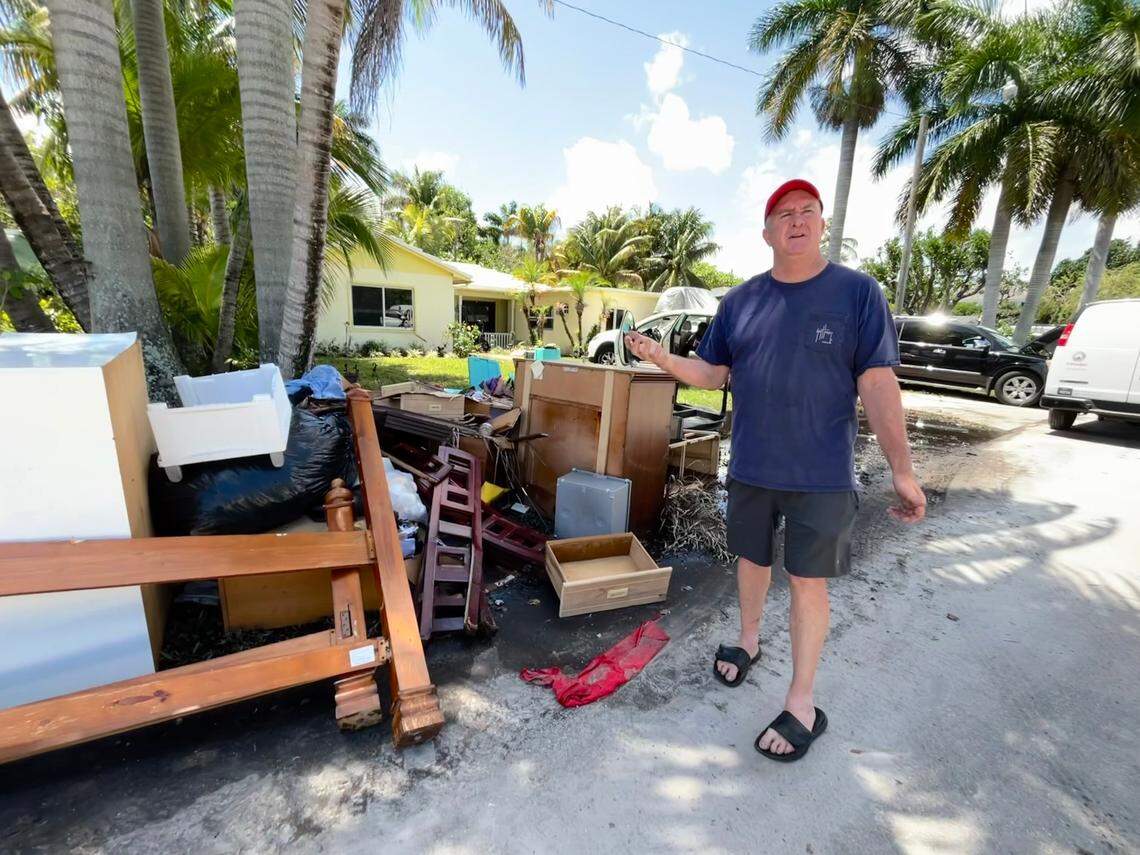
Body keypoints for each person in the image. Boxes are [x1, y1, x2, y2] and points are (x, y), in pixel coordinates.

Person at [625, 178, 925, 763]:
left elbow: (878, 383)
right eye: (782, 213)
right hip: (754, 467)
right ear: (766, 231)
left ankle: (803, 702)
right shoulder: (740, 302)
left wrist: (903, 470)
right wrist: (662, 358)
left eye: (807, 211)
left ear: (821, 224)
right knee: (751, 559)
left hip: (821, 475)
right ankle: (747, 640)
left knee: (809, 583)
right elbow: (715, 375)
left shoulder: (858, 293)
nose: (796, 220)